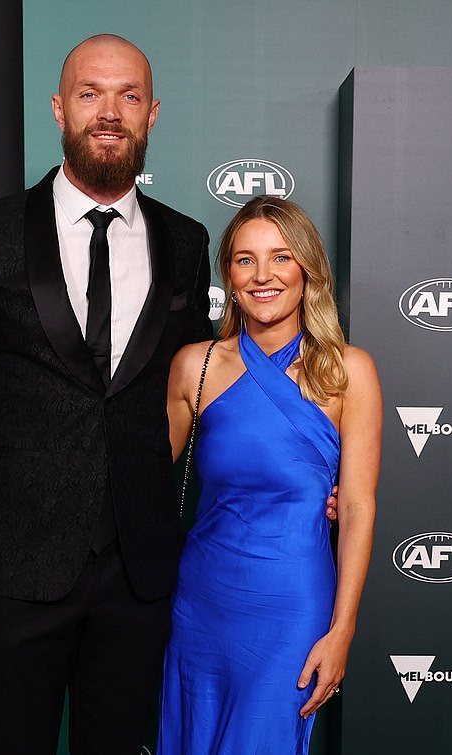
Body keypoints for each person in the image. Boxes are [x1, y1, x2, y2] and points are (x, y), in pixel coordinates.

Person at [0, 34, 213, 755]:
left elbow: (203, 391)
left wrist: (300, 480)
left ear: (153, 113)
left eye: (129, 96)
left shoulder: (187, 243)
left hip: (138, 571)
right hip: (15, 569)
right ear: (58, 108)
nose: (110, 112)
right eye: (90, 93)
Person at [157, 196, 381, 754]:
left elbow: (355, 508)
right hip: (199, 602)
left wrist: (342, 629)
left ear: (307, 269)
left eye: (281, 257)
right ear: (228, 276)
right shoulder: (196, 365)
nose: (263, 276)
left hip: (292, 604)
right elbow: (143, 483)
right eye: (244, 260)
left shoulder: (349, 372)